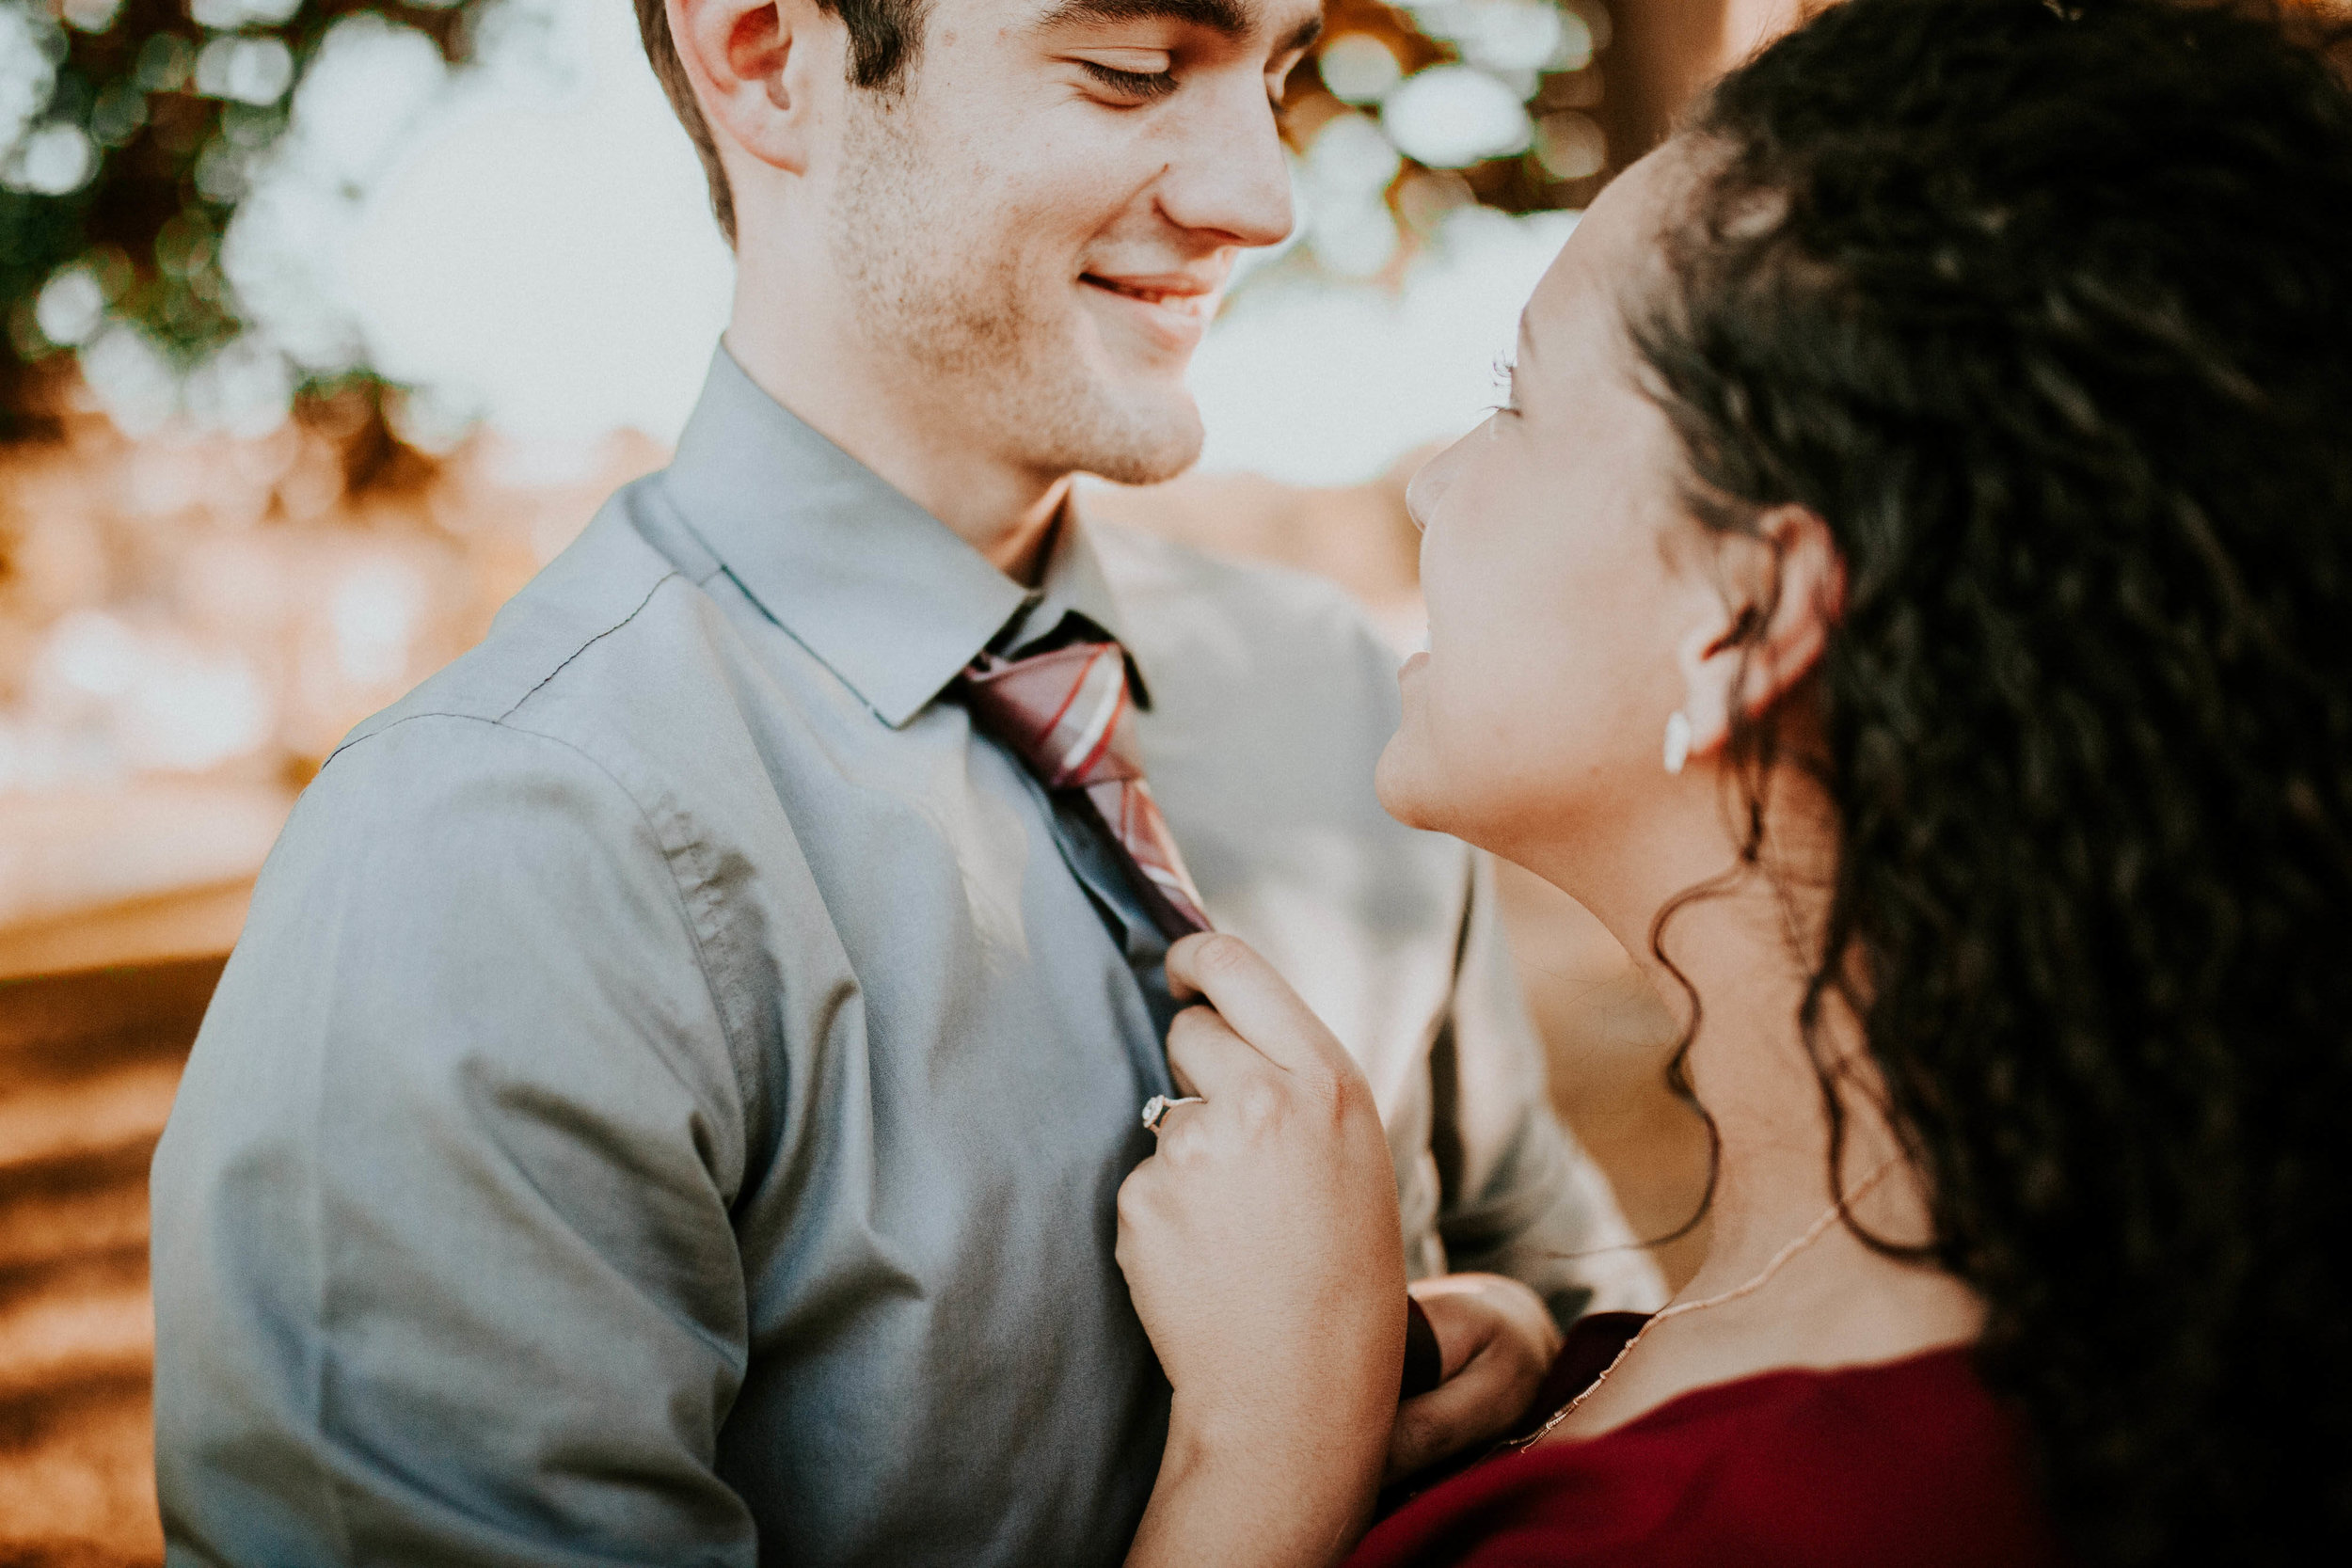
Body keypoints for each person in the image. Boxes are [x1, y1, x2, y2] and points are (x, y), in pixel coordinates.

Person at [146, 0, 1661, 1562]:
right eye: (1131, 68)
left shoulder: (1335, 691)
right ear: (763, 55)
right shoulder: (484, 861)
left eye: (1275, 78)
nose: (1264, 198)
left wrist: (1519, 1351)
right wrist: (1270, 1460)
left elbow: (1595, 1298)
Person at [1110, 0, 2352, 1562]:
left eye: (1516, 397)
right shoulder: (2108, 1322)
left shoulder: (1742, 1525)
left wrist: (1258, 1457)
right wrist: (1552, 1360)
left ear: (1745, 616)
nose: (1434, 478)